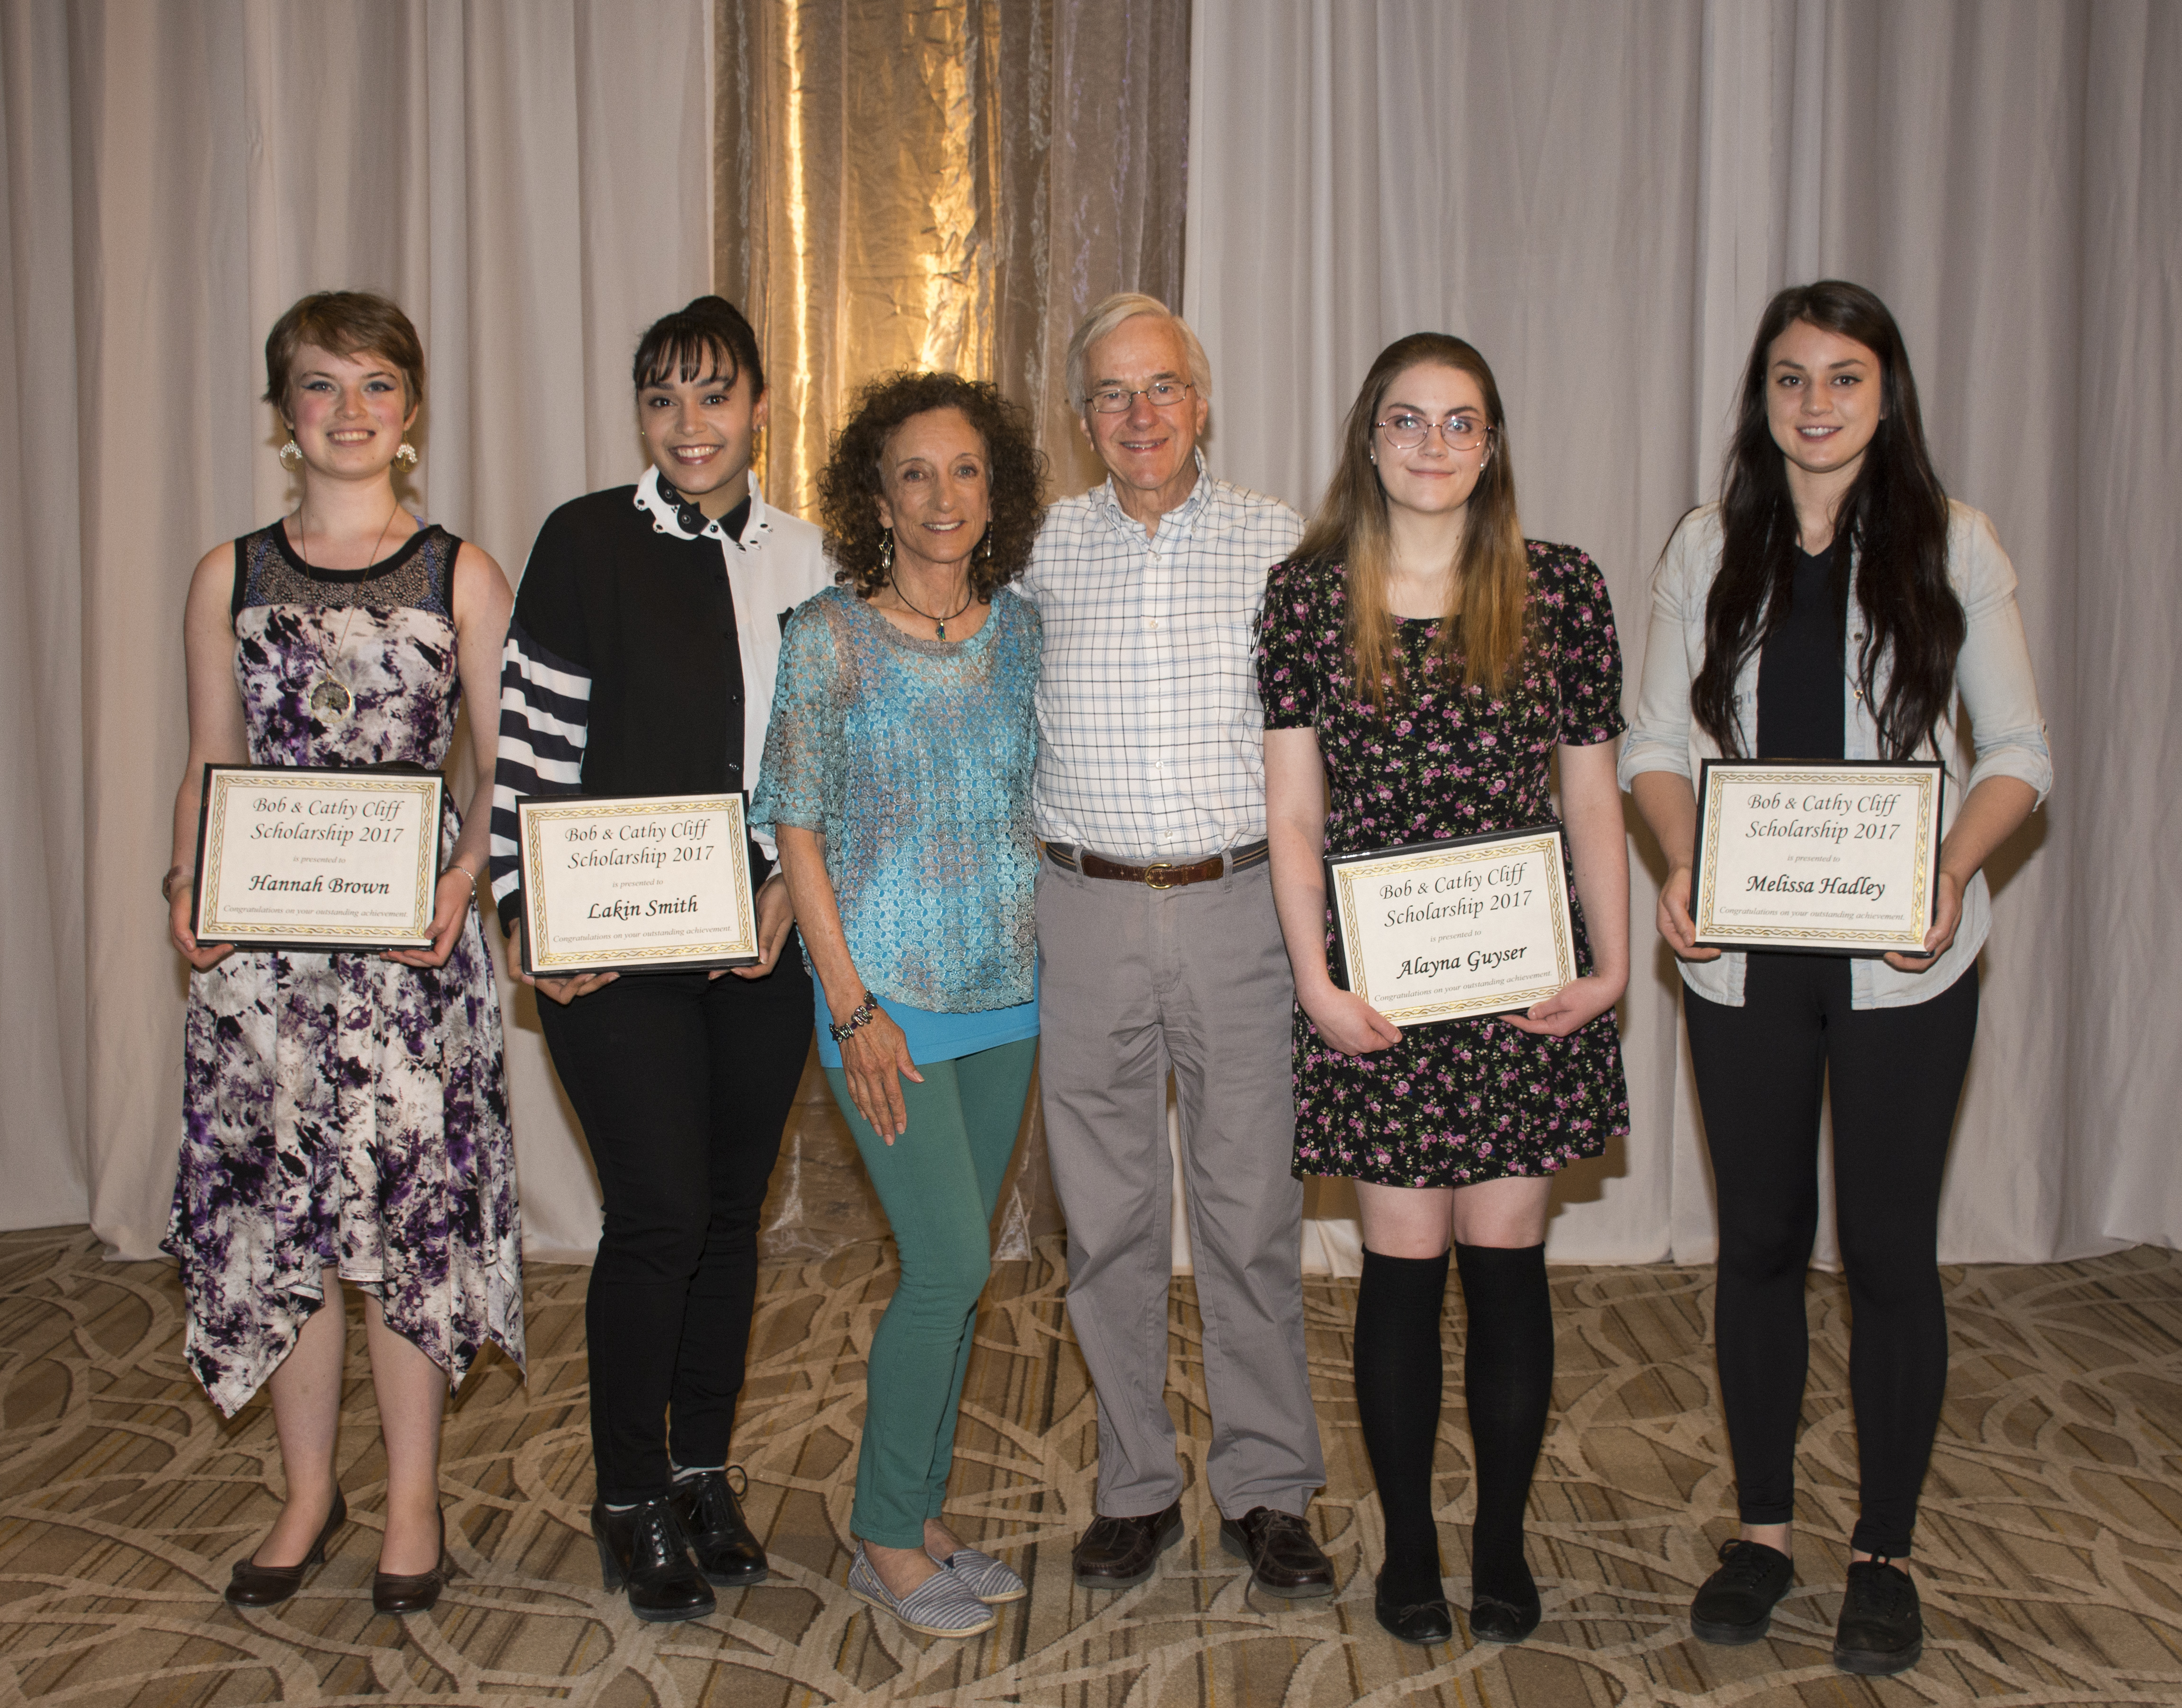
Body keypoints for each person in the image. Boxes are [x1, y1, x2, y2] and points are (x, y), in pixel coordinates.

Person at [1622, 281, 2050, 1678]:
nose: (1815, 404)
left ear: (1886, 394)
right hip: (1741, 958)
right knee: (1754, 1245)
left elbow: (2019, 756)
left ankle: (1882, 1546)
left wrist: (1946, 877)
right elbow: (1650, 748)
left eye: (1844, 378)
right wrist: (1678, 865)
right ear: (1761, 396)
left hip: (1903, 964)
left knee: (1884, 1255)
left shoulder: (1951, 542)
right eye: (1790, 378)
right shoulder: (1705, 545)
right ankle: (1761, 1530)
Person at [1260, 333, 1631, 1648]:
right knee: (1401, 1274)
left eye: (1458, 422)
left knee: (1508, 1268)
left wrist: (1611, 963)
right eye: (1406, 421)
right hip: (1380, 990)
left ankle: (1503, 1544)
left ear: (1490, 444)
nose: (1431, 446)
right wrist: (1313, 982)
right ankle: (1411, 1545)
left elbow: (1588, 790)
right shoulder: (1306, 598)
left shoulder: (1562, 590)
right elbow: (1294, 816)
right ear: (1368, 440)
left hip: (1523, 980)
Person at [164, 291, 521, 1617]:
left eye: (377, 385)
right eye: (321, 386)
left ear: (412, 412)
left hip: (408, 959)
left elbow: (503, 768)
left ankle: (414, 1497)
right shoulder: (230, 574)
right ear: (283, 415)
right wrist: (181, 888)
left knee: (404, 1227)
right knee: (289, 1225)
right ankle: (308, 1492)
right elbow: (208, 759)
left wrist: (463, 878)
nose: (351, 411)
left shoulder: (460, 572)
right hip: (265, 965)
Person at [488, 295, 830, 1622]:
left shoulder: (807, 557)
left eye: (714, 394)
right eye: (663, 398)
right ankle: (626, 1497)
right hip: (611, 953)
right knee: (657, 1218)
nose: (689, 424)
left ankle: (698, 1472)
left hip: (761, 946)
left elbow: (826, 759)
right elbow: (529, 745)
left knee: (731, 1222)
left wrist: (793, 908)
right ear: (642, 416)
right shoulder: (583, 540)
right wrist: (528, 914)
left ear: (759, 405)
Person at [1019, 293, 1334, 1600]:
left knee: (1251, 1217)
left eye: (1161, 390)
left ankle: (1267, 1487)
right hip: (1082, 911)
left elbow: (1329, 746)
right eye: (1111, 395)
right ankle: (1135, 1485)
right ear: (1082, 418)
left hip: (1238, 913)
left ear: (1201, 404)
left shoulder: (1284, 546)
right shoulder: (1037, 551)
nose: (1138, 416)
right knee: (1104, 1223)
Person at [753, 371, 1045, 1640]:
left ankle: (922, 1515)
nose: (942, 496)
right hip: (881, 1001)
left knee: (960, 1277)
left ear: (998, 490)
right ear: (874, 494)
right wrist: (850, 1004)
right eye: (914, 472)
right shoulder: (824, 636)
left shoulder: (1024, 630)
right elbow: (796, 829)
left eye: (965, 469)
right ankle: (880, 1533)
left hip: (1010, 993)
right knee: (948, 1266)